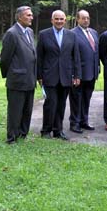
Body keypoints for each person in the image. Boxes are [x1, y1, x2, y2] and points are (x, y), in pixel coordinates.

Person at [37, 10, 81, 140]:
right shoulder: (44, 34)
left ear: (65, 20)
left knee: (61, 104)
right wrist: (39, 76)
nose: (59, 21)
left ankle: (58, 130)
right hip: (49, 76)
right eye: (56, 19)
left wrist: (77, 75)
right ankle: (46, 131)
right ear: (52, 20)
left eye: (62, 19)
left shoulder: (71, 35)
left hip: (66, 76)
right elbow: (39, 57)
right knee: (50, 103)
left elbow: (76, 56)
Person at [0, 6, 37, 144]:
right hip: (17, 79)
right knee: (15, 110)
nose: (31, 17)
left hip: (30, 78)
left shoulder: (30, 32)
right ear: (19, 17)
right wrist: (10, 74)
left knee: (27, 109)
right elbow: (4, 58)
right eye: (28, 15)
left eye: (31, 15)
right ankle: (12, 137)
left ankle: (23, 133)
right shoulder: (12, 33)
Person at [69, 10, 99, 133]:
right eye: (83, 18)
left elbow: (95, 52)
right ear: (77, 19)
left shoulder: (94, 32)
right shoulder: (72, 34)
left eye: (87, 18)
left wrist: (97, 68)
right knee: (76, 99)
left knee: (87, 98)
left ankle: (84, 121)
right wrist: (74, 74)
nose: (86, 20)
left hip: (91, 73)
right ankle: (74, 123)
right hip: (79, 74)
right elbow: (70, 56)